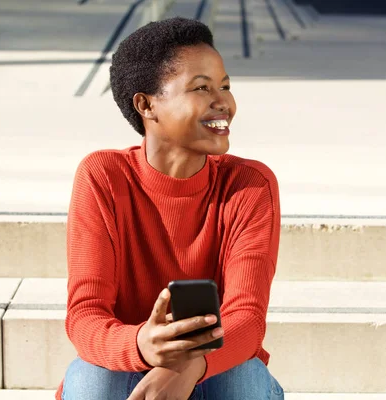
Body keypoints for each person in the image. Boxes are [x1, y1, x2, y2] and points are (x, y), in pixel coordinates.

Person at [56, 17, 282, 400]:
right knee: (94, 381)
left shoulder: (250, 185)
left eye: (225, 86)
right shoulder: (104, 176)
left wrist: (188, 366)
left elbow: (246, 318)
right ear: (146, 105)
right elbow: (85, 315)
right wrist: (145, 344)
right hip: (129, 363)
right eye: (201, 88)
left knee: (242, 382)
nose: (223, 102)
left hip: (217, 367)